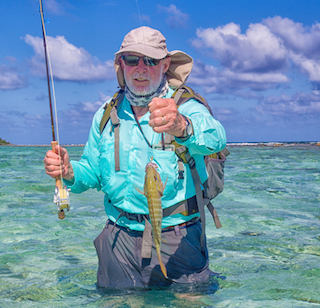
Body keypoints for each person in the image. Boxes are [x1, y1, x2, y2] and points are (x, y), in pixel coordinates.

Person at [44, 26, 226, 289]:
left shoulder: (185, 105)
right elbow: (92, 174)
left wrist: (182, 126)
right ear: (121, 64)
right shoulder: (106, 113)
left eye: (151, 60)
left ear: (165, 65)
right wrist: (69, 171)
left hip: (178, 237)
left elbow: (217, 137)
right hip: (118, 239)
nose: (141, 68)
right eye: (132, 59)